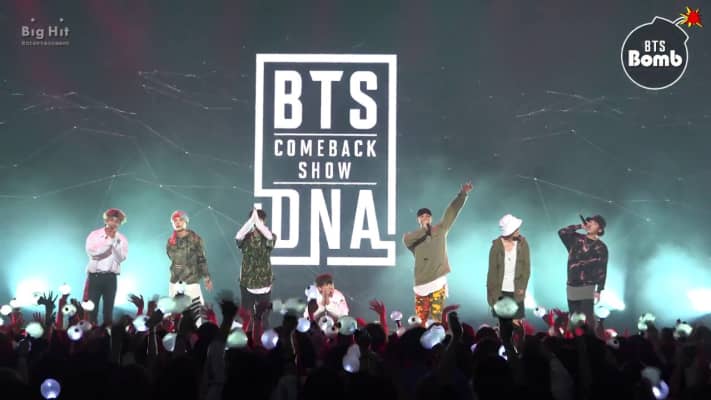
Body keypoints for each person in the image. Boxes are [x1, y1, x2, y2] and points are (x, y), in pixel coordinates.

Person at [402, 180, 473, 323]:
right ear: (418, 220)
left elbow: (451, 212)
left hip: (437, 281)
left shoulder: (440, 229)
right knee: (421, 322)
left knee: (436, 321)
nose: (425, 217)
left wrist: (462, 194)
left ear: (431, 218)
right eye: (422, 216)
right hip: (421, 284)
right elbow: (407, 240)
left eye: (428, 216)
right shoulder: (411, 237)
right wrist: (424, 230)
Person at [558, 215, 608, 328]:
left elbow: (602, 268)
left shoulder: (601, 247)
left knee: (587, 319)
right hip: (572, 284)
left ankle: (588, 337)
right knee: (574, 319)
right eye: (589, 222)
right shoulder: (576, 239)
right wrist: (580, 226)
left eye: (594, 223)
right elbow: (561, 232)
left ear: (600, 230)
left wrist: (599, 290)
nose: (590, 224)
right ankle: (574, 337)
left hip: (587, 286)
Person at [85, 208, 128, 325]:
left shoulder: (122, 239)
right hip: (95, 276)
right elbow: (93, 253)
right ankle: (91, 332)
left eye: (117, 221)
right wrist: (109, 243)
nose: (114, 223)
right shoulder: (94, 235)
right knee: (92, 310)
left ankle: (106, 333)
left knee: (108, 311)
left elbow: (121, 258)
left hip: (111, 278)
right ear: (106, 220)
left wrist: (114, 242)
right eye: (112, 220)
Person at [235, 208, 276, 328]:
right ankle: (246, 338)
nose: (256, 225)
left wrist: (256, 220)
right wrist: (251, 221)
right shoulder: (245, 237)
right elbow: (238, 236)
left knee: (263, 317)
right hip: (247, 284)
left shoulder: (270, 236)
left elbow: (269, 237)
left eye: (259, 221)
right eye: (254, 222)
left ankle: (263, 338)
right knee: (246, 317)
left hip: (264, 285)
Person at [486, 214, 530, 323]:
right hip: (500, 291)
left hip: (517, 290)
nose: (518, 231)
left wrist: (522, 287)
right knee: (504, 324)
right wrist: (495, 296)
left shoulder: (523, 244)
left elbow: (526, 268)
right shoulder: (496, 247)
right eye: (516, 229)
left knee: (517, 325)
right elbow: (492, 273)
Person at [167, 210, 212, 308]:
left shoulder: (195, 239)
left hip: (191, 281)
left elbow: (201, 259)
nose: (177, 223)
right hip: (175, 282)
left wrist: (206, 277)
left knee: (196, 311)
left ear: (186, 221)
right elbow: (171, 257)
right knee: (174, 313)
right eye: (175, 221)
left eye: (180, 220)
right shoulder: (170, 241)